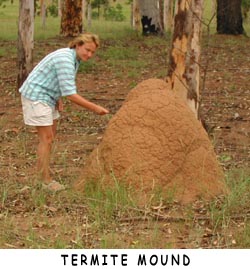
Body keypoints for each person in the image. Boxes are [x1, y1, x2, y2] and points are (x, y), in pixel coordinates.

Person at [19, 33, 109, 191]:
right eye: (87, 50)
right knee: (45, 139)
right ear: (78, 45)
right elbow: (71, 94)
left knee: (50, 138)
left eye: (92, 52)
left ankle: (42, 174)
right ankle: (45, 181)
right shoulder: (65, 59)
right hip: (36, 96)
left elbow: (58, 80)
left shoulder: (74, 59)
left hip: (49, 96)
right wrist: (95, 108)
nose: (89, 54)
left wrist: (57, 98)